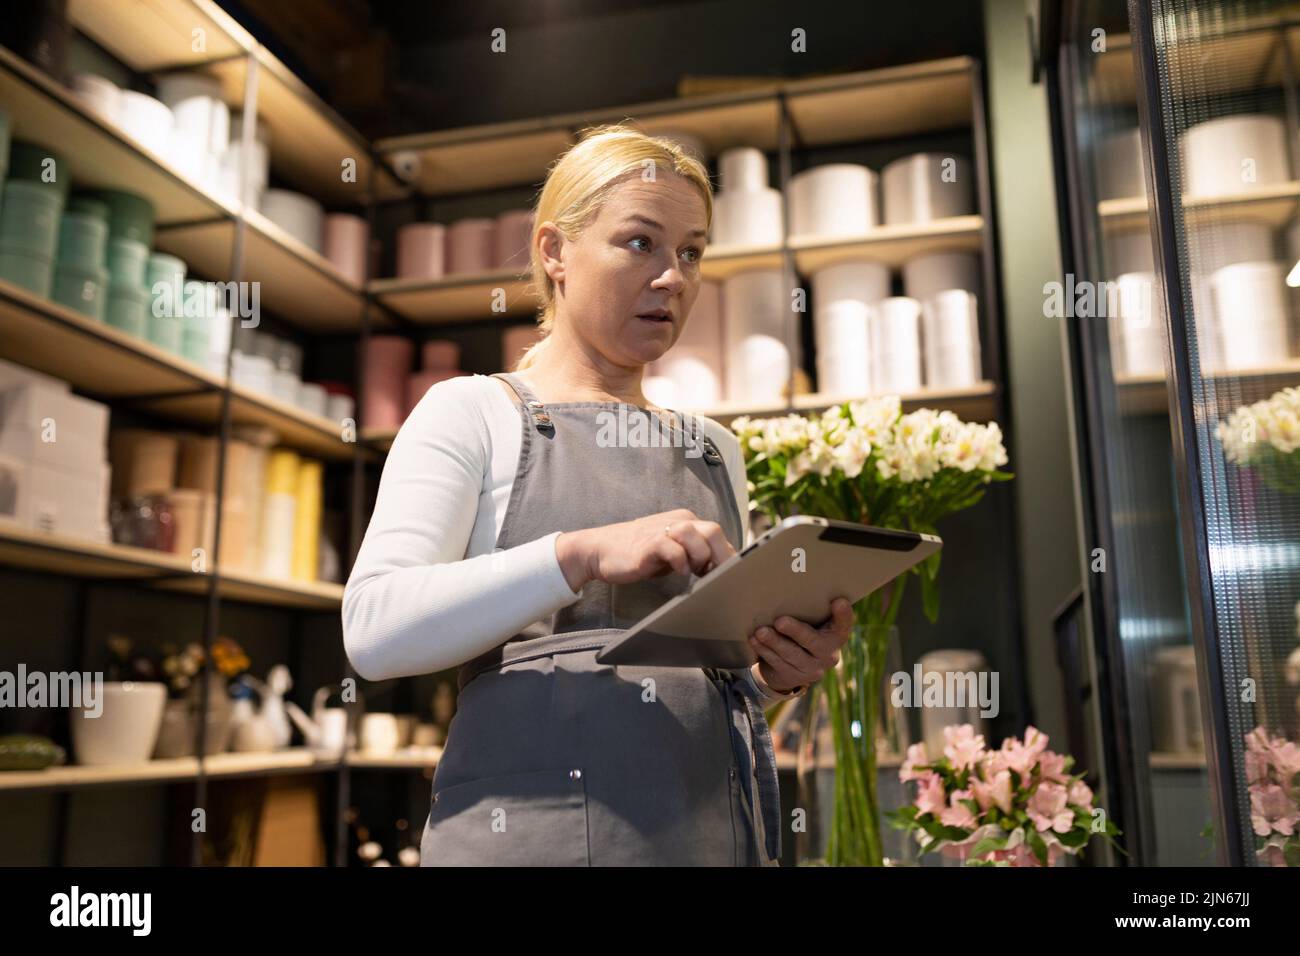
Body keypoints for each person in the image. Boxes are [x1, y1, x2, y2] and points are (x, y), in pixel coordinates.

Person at [343, 123, 853, 866]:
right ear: (554, 251)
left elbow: (706, 687)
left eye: (691, 252)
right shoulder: (474, 413)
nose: (673, 277)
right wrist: (578, 553)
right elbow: (372, 630)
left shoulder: (715, 450)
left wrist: (778, 674)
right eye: (640, 243)